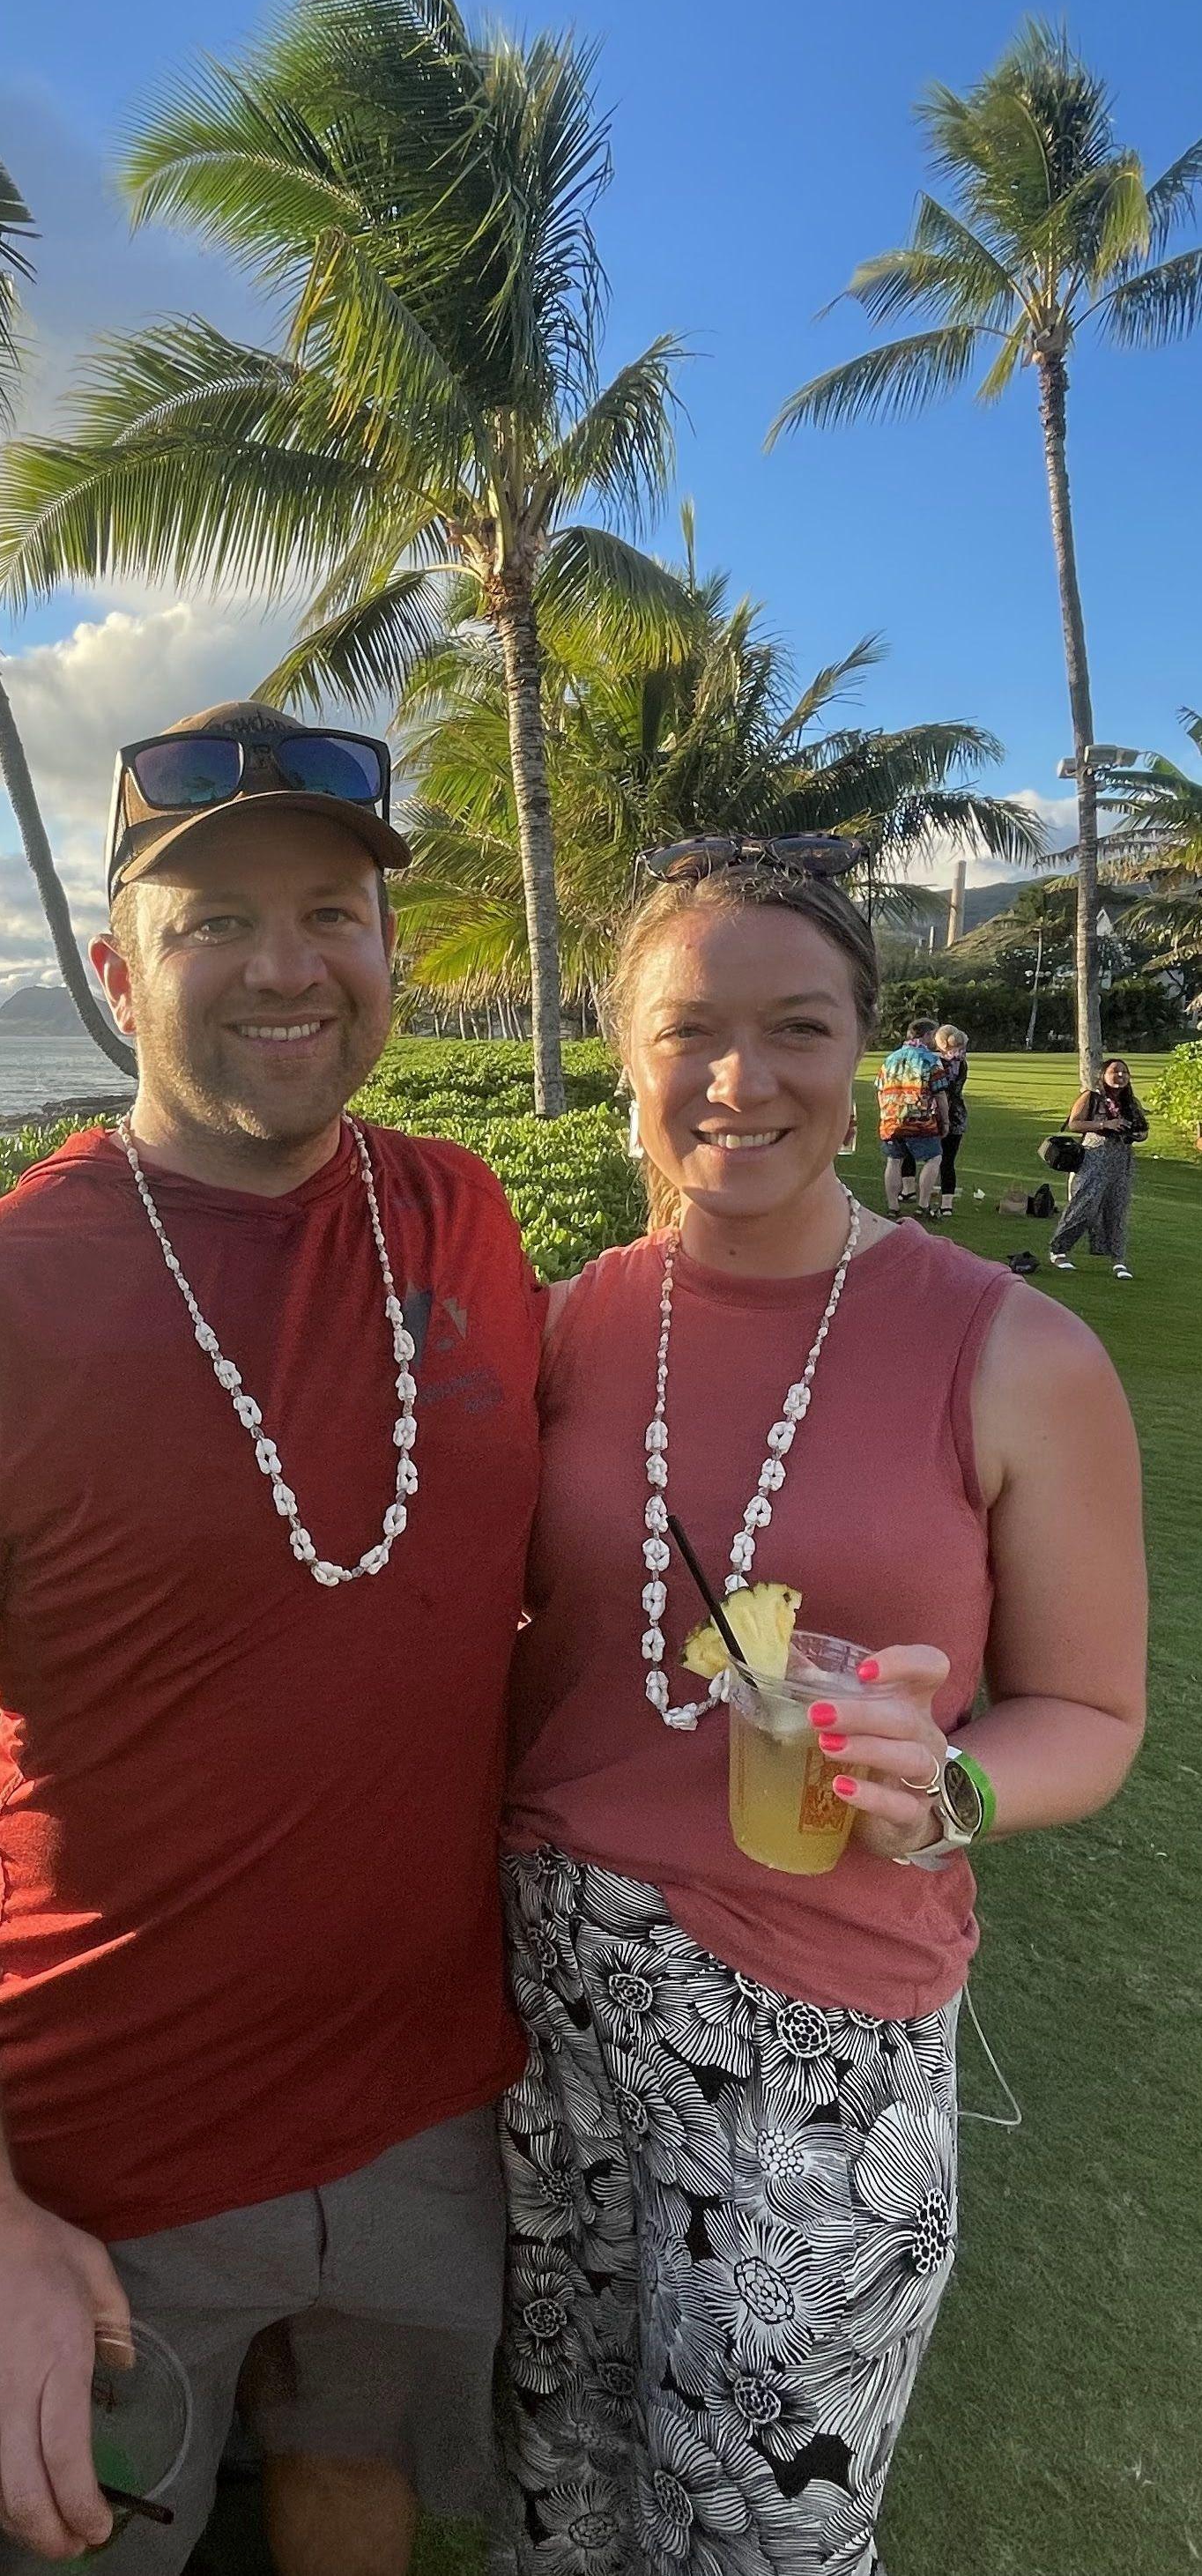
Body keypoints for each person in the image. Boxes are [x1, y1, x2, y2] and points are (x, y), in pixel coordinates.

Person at [0, 700, 546, 2576]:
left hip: (429, 2099)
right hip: (99, 2159)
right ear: (118, 969)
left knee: (350, 2478)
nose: (282, 967)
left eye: (327, 913)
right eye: (211, 923)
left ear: (390, 954)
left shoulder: (460, 1215)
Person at [493, 846, 1148, 2574]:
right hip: (543, 2007)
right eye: (688, 1027)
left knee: (763, 2532)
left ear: (864, 1056)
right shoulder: (564, 1330)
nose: (739, 1077)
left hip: (819, 2037)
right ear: (623, 1049)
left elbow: (1086, 1710)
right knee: (564, 2471)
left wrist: (952, 1786)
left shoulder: (1010, 1352)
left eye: (796, 1026)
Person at [1049, 1057, 1151, 1279]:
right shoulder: (1091, 1097)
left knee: (1117, 1209)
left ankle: (1118, 1259)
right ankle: (1059, 1250)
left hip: (1121, 1160)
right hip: (1094, 1157)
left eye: (1125, 1072)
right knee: (1084, 1206)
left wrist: (1137, 1133)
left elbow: (1143, 1130)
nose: (1121, 1076)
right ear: (1103, 1075)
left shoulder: (1131, 1102)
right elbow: (1075, 1123)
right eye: (1115, 1071)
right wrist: (1105, 1124)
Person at [872, 1015, 947, 1217]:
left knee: (894, 1161)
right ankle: (923, 1205)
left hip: (891, 1119)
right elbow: (940, 1094)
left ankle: (892, 1207)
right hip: (919, 1119)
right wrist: (945, 1121)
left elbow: (880, 1089)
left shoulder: (890, 1059)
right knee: (934, 1158)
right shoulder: (931, 1060)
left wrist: (886, 1115)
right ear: (929, 1035)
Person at [931, 1022, 971, 1215]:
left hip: (935, 1114)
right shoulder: (961, 1063)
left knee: (932, 1159)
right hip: (957, 1114)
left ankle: (922, 1199)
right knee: (948, 1161)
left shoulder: (934, 1063)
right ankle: (947, 1203)